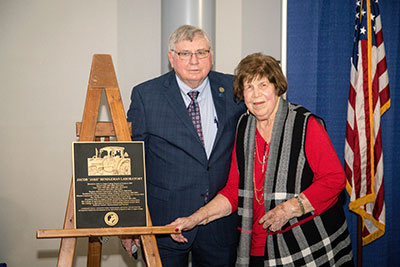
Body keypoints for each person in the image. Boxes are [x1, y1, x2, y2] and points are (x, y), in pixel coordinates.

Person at [169, 53, 354, 266]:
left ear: (277, 87)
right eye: (249, 87)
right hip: (254, 246)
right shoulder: (244, 127)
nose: (256, 94)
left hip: (307, 244)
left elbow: (334, 180)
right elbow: (232, 191)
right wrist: (196, 218)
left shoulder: (305, 124)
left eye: (263, 84)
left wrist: (288, 209)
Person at [122, 25, 245, 266]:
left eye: (201, 52)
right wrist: (130, 222)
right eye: (185, 54)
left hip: (219, 224)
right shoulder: (147, 96)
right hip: (165, 224)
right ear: (171, 57)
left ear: (211, 56)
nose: (194, 61)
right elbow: (130, 163)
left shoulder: (234, 90)